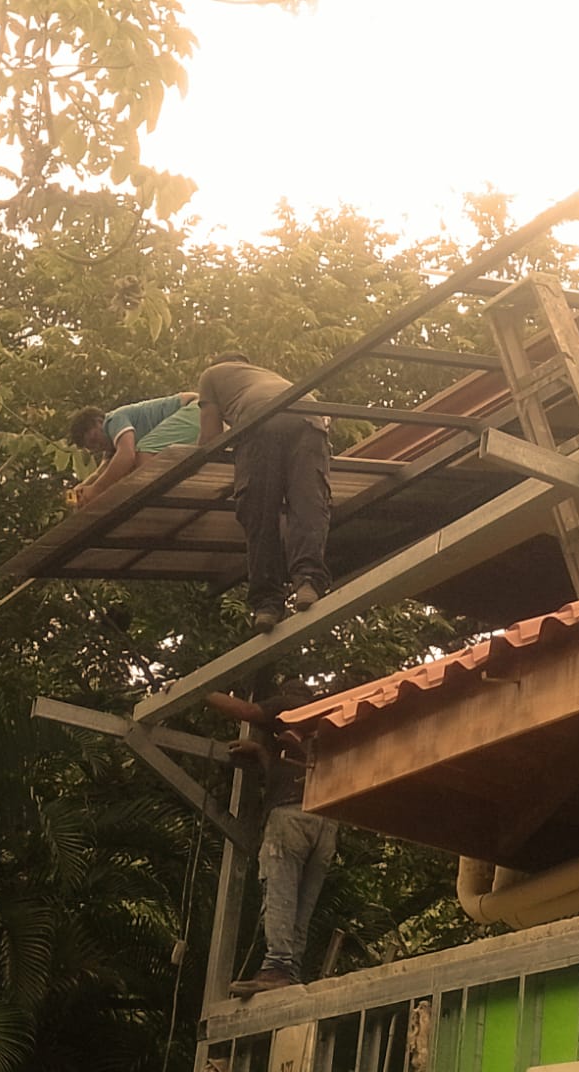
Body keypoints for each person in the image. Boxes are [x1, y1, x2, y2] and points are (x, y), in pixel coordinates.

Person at [206, 679, 337, 998]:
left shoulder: (289, 706)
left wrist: (202, 692)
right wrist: (261, 752)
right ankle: (289, 971)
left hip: (289, 818)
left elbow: (247, 711)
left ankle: (277, 966)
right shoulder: (326, 723)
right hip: (326, 821)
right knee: (302, 903)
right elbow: (287, 768)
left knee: (280, 891)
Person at [196, 354, 330, 634]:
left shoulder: (212, 373)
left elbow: (209, 437)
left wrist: (196, 464)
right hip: (309, 417)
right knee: (307, 502)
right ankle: (307, 581)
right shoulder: (269, 375)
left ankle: (267, 604)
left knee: (259, 512)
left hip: (260, 419)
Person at [67, 391, 199, 507]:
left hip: (193, 409)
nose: (99, 446)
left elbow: (126, 456)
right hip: (193, 417)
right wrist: (81, 489)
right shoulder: (112, 447)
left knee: (142, 455)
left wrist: (96, 490)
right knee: (130, 468)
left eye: (95, 439)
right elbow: (101, 473)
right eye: (94, 447)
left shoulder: (113, 420)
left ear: (99, 421)